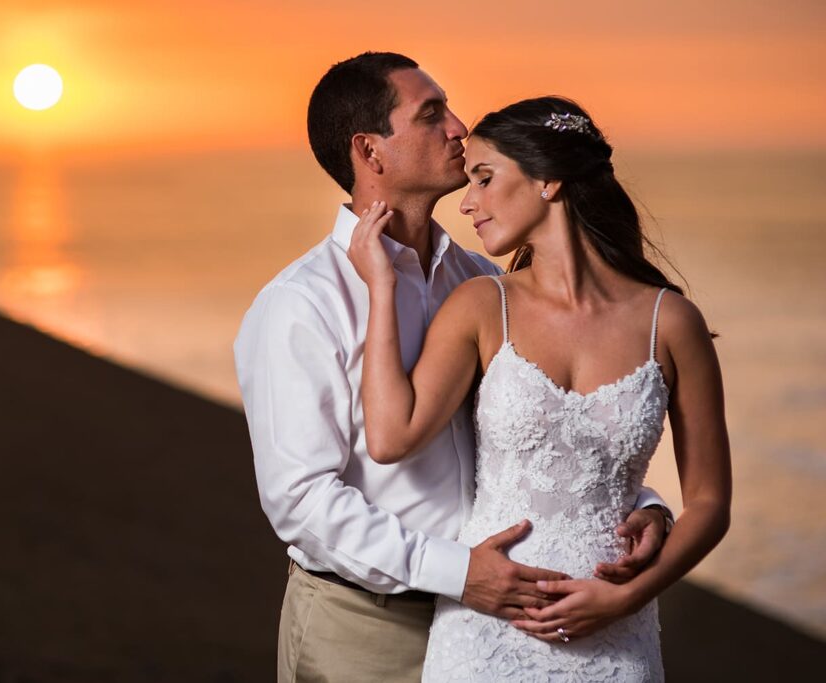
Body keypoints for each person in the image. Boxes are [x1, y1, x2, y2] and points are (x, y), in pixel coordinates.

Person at [234, 53, 673, 683]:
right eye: (431, 114)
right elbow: (300, 501)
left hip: (491, 629)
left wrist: (646, 507)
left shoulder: (483, 282)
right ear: (370, 152)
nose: (459, 127)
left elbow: (545, 432)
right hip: (365, 629)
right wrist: (458, 573)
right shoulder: (299, 305)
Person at [346, 96, 732, 681]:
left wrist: (626, 598)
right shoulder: (482, 305)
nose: (467, 201)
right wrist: (380, 287)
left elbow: (709, 502)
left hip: (615, 638)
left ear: (548, 180)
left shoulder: (671, 322)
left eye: (484, 177)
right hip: (486, 634)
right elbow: (390, 436)